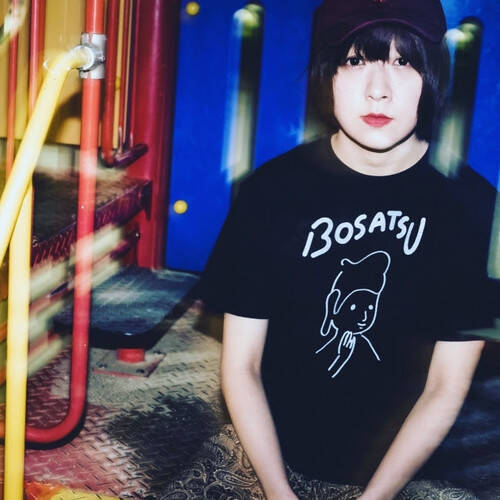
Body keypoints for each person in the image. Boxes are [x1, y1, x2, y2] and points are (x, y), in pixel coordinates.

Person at [198, 0, 496, 498]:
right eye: (356, 60)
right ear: (327, 74)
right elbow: (241, 367)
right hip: (270, 454)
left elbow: (446, 388)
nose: (379, 89)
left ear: (431, 77)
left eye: (404, 62)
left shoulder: (475, 208)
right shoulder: (271, 192)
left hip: (411, 471)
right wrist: (278, 492)